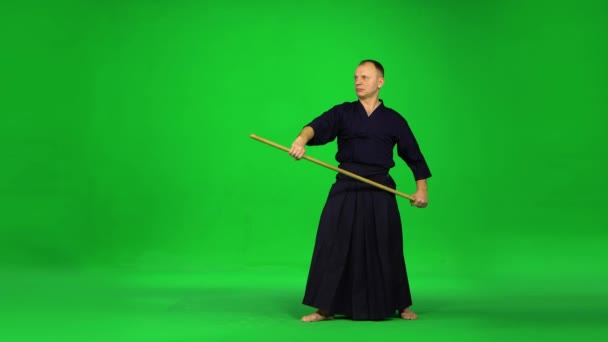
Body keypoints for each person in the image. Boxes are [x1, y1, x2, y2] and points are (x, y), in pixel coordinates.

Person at [288, 60, 432, 322]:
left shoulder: (394, 120)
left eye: (364, 77)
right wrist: (301, 140)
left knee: (387, 245)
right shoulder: (343, 112)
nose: (358, 81)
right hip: (346, 186)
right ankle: (325, 308)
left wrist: (421, 189)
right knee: (333, 243)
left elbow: (413, 155)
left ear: (380, 82)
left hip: (379, 189)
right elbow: (314, 127)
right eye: (355, 77)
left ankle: (401, 304)